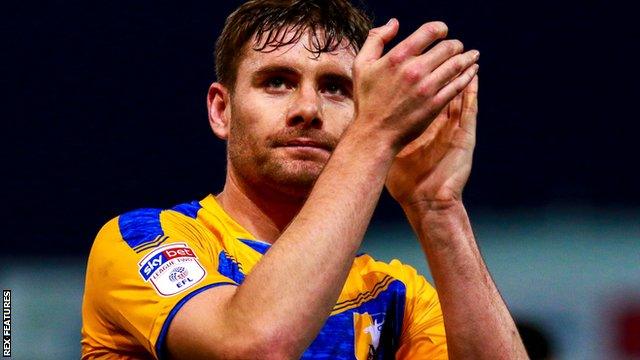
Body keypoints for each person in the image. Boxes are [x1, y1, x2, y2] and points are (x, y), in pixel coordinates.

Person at [81, 0, 527, 358]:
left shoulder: (394, 295)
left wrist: (437, 207)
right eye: (277, 81)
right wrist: (374, 136)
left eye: (336, 87)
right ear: (222, 110)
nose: (308, 109)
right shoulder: (142, 240)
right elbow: (254, 347)